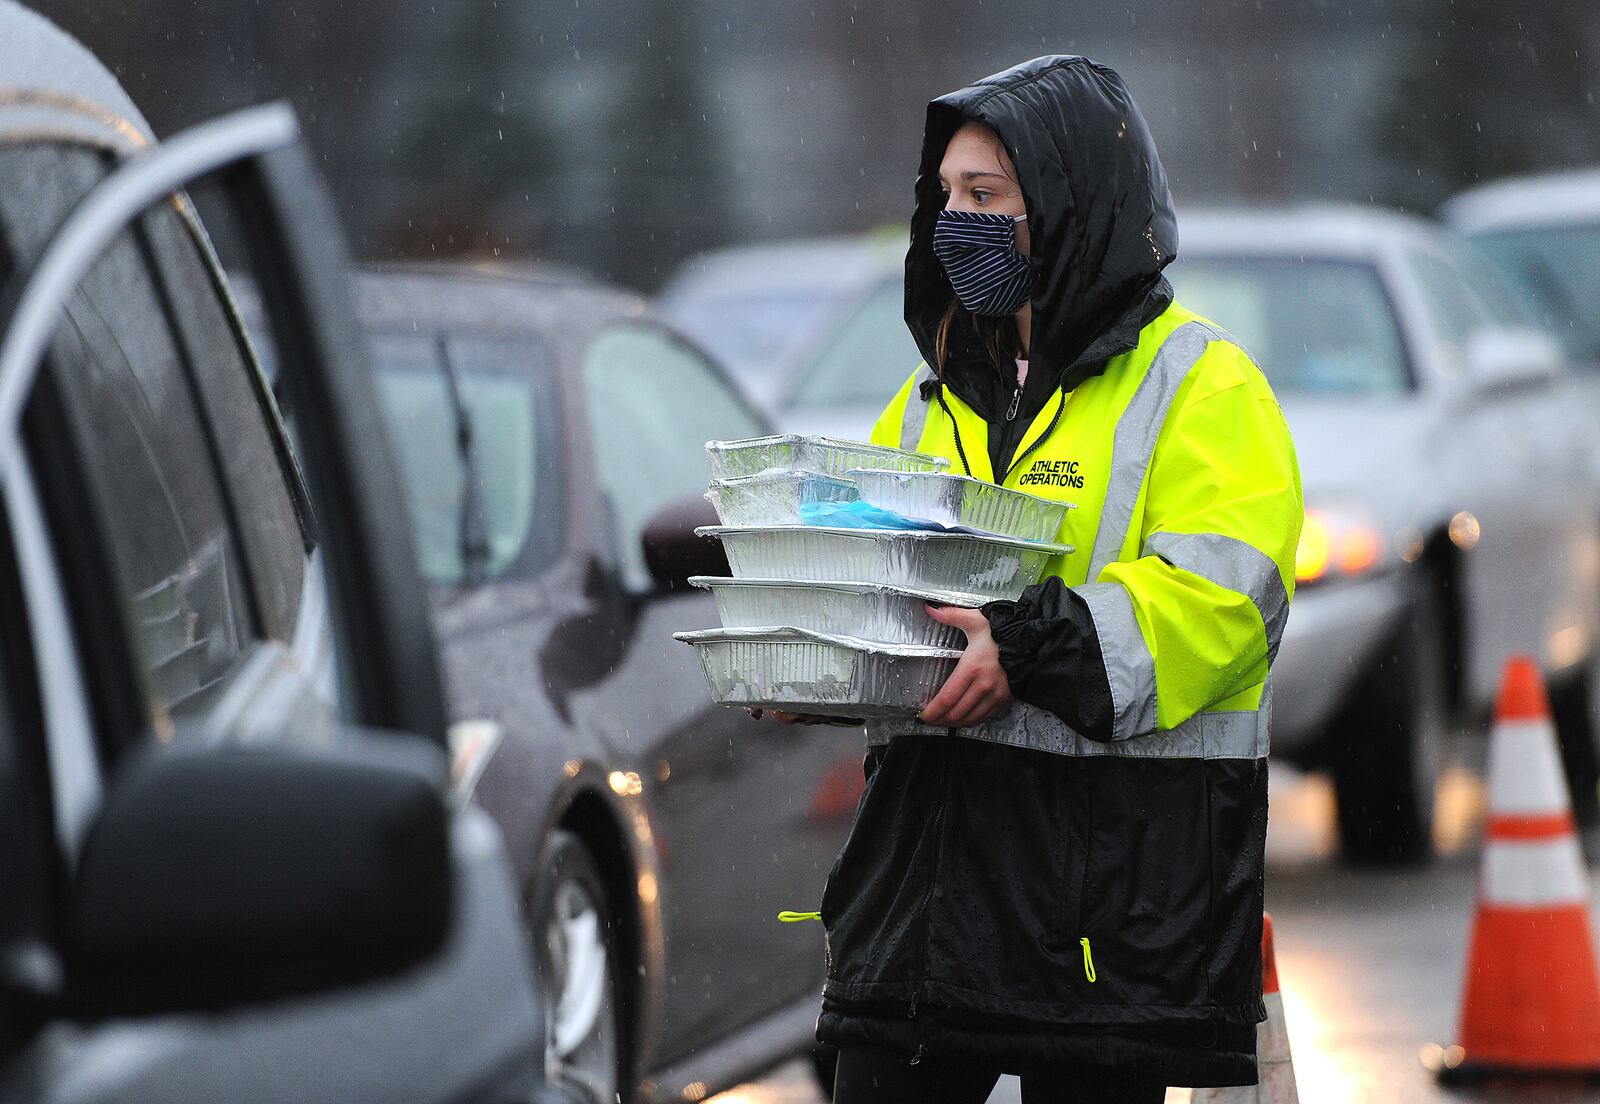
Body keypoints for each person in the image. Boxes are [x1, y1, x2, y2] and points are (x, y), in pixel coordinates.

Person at [802, 56, 1304, 1102]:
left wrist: (1030, 648)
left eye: (986, 197)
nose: (956, 224)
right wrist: (814, 644)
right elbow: (888, 575)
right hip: (931, 892)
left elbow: (1224, 600)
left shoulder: (1199, 383)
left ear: (1071, 207)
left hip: (1104, 897)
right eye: (944, 198)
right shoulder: (932, 397)